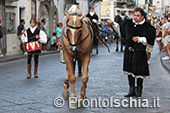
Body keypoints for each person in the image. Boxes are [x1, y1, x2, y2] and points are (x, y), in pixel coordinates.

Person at [123, 8, 156, 97]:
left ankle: (139, 89)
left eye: (137, 16)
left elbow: (150, 39)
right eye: (134, 15)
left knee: (139, 72)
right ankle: (131, 89)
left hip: (140, 52)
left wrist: (140, 39)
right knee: (129, 71)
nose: (135, 17)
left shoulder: (147, 27)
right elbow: (122, 33)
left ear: (142, 17)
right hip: (129, 51)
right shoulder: (129, 24)